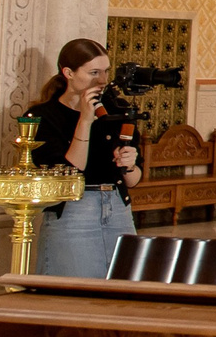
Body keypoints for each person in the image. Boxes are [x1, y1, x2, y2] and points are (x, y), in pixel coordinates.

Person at [25, 41, 146, 278]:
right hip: (73, 210)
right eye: (93, 73)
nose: (102, 80)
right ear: (68, 73)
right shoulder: (42, 116)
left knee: (125, 288)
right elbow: (69, 172)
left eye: (106, 71)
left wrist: (129, 164)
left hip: (117, 206)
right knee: (75, 293)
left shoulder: (115, 110)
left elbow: (133, 180)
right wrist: (85, 121)